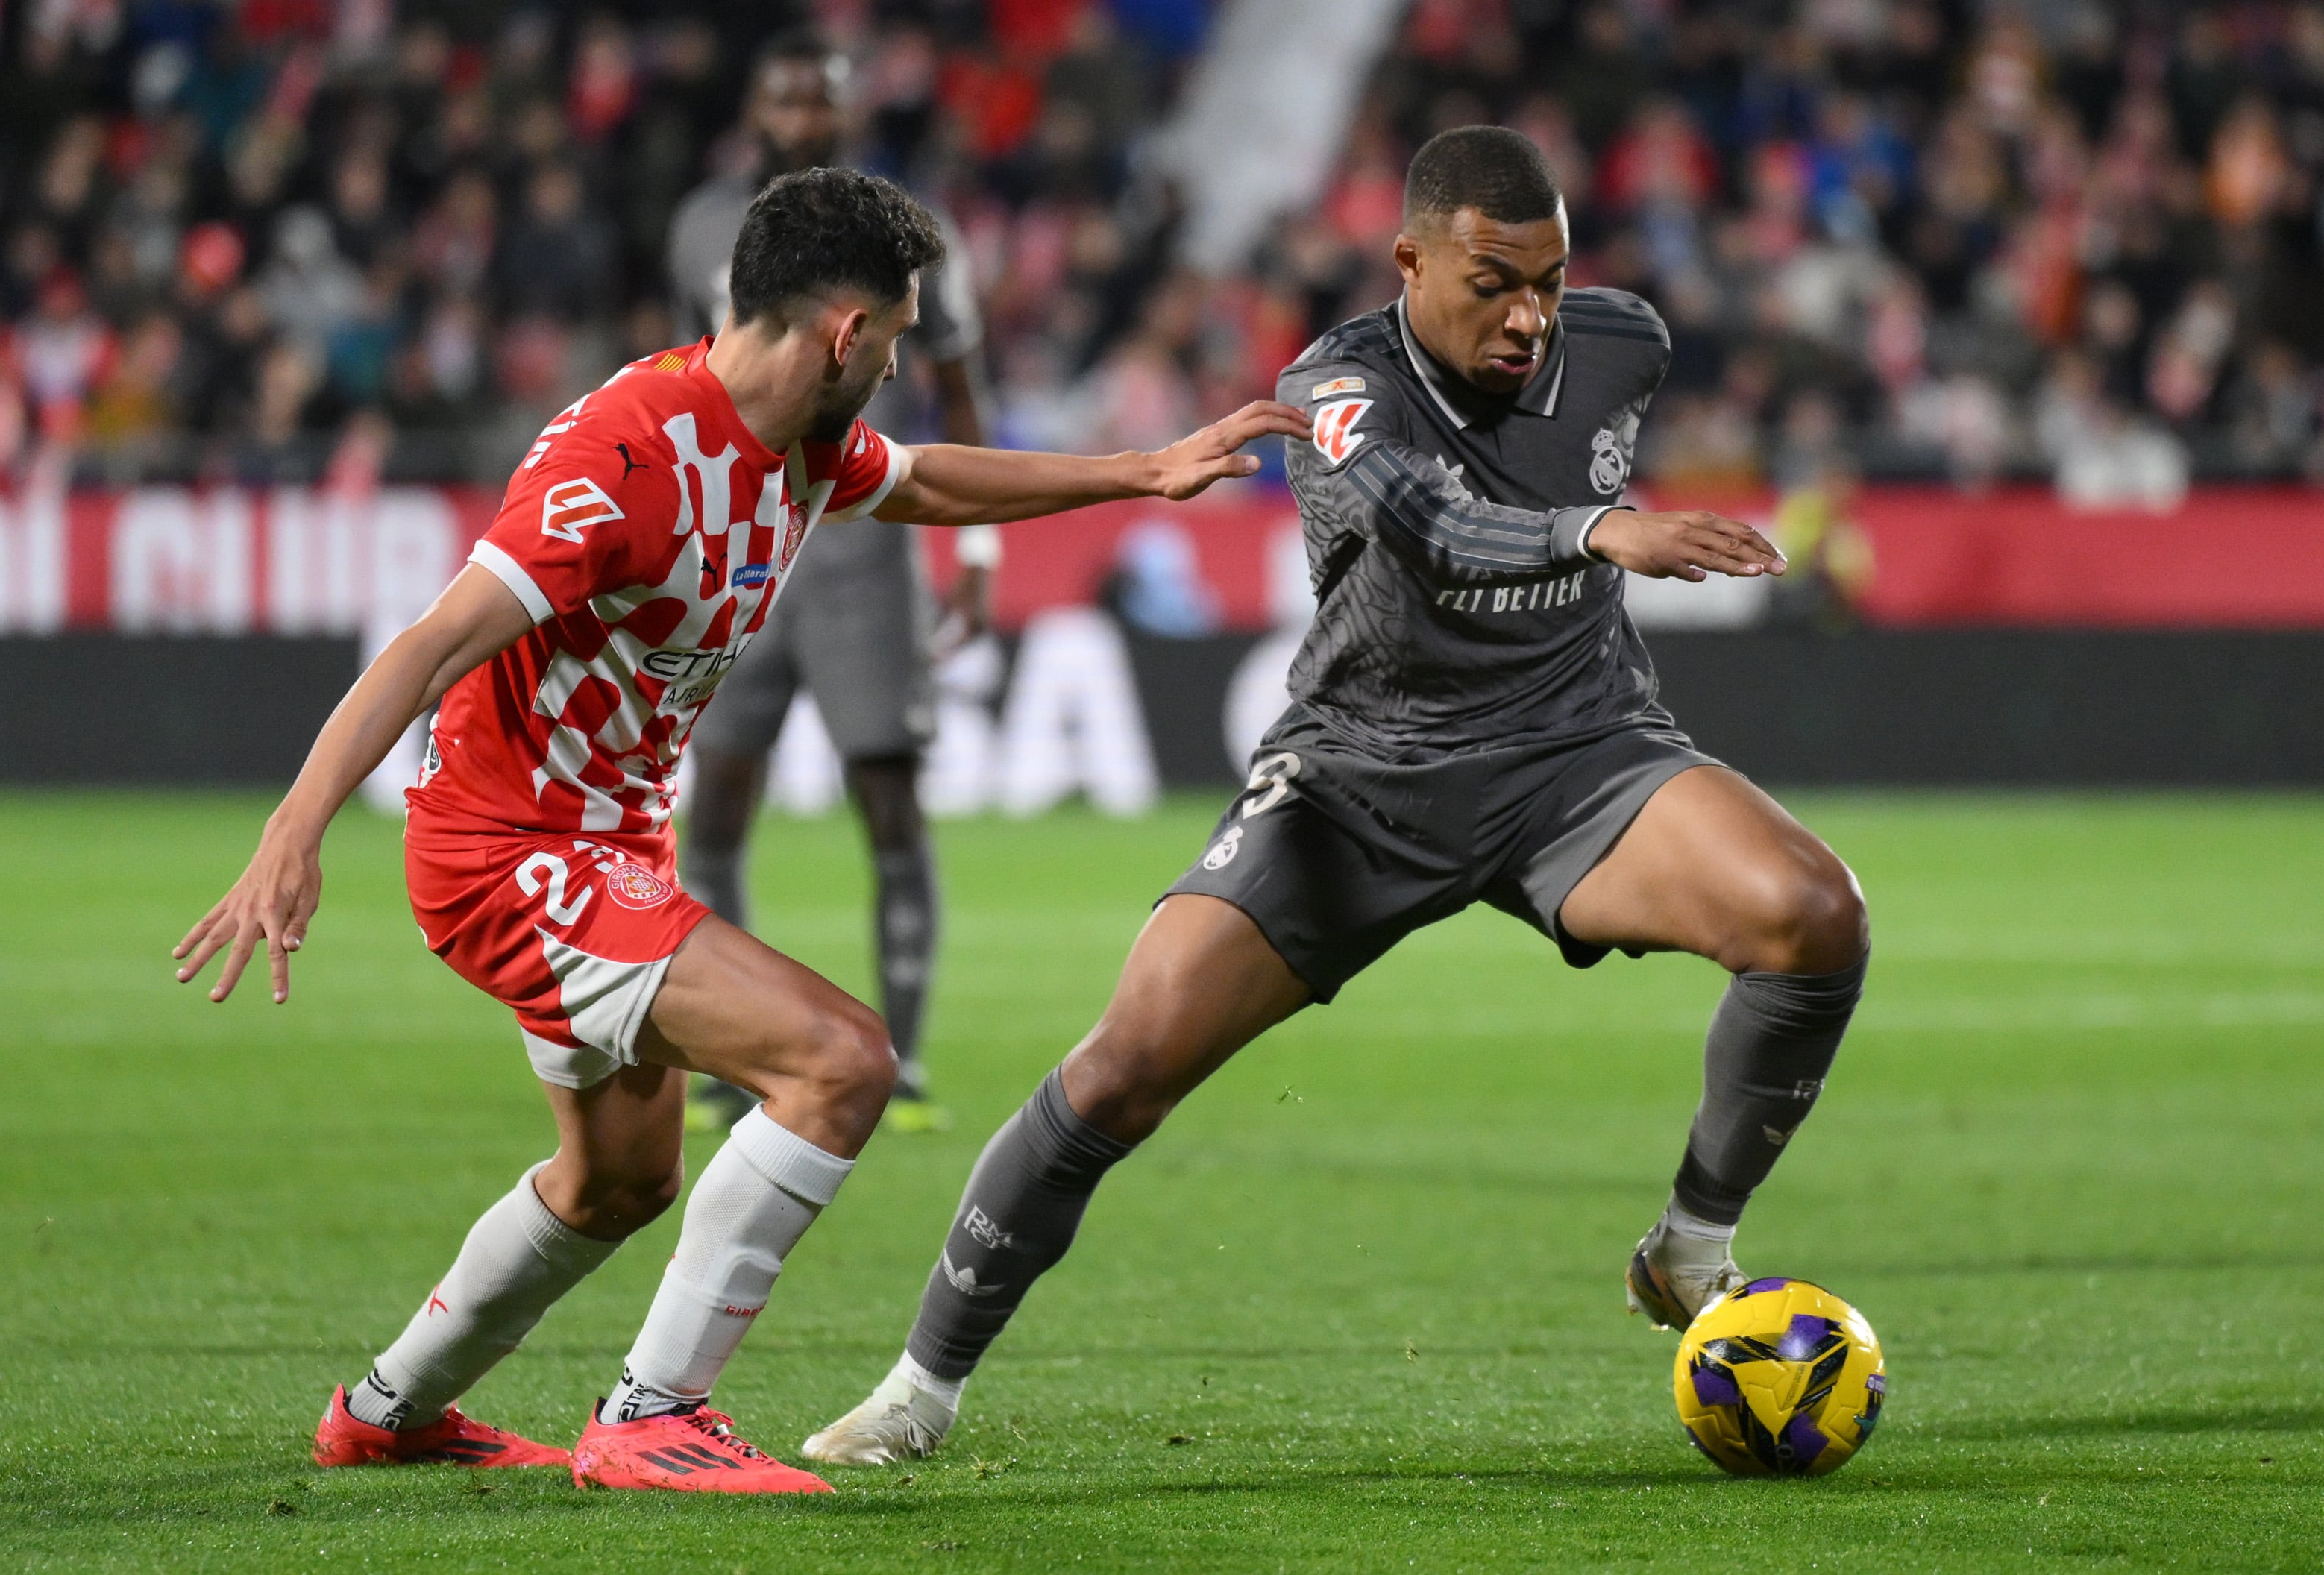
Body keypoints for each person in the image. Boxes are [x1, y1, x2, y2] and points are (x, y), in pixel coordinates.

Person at [172, 166, 1307, 1494]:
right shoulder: (623, 463)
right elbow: (428, 644)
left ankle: (386, 1411)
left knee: (617, 1183)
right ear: (843, 332)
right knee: (840, 1063)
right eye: (895, 337)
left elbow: (927, 479)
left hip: (609, 846)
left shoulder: (800, 441)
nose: (899, 366)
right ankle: (652, 1412)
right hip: (514, 855)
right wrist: (294, 832)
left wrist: (1143, 470)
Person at [803, 127, 1870, 1467]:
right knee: (1125, 1066)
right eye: (1492, 283)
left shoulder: (1624, 343)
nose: (1530, 317)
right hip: (1362, 777)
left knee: (1814, 915)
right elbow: (1425, 527)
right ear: (1410, 260)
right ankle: (917, 1391)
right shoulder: (1335, 386)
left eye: (1549, 281)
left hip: (1577, 750)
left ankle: (1691, 1246)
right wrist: (1597, 530)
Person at [669, 28, 994, 1134]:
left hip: (862, 548)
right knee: (717, 797)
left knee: (889, 798)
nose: (803, 119)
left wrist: (979, 552)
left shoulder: (907, 232)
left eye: (822, 102)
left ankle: (901, 1061)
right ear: (757, 108)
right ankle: (723, 1058)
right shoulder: (702, 226)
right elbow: (685, 379)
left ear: (849, 112)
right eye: (786, 100)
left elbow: (957, 386)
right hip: (740, 543)